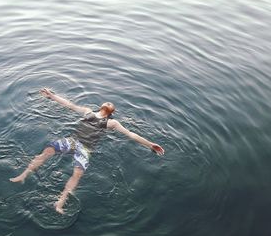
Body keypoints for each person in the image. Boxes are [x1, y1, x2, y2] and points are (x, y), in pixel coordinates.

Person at [10, 88, 165, 214]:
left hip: (85, 149)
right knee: (48, 150)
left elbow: (130, 134)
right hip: (73, 141)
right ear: (102, 105)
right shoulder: (87, 111)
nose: (109, 102)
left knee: (77, 175)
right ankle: (24, 175)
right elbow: (69, 105)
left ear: (111, 112)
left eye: (111, 104)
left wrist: (150, 144)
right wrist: (52, 96)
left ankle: (60, 203)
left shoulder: (112, 123)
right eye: (107, 102)